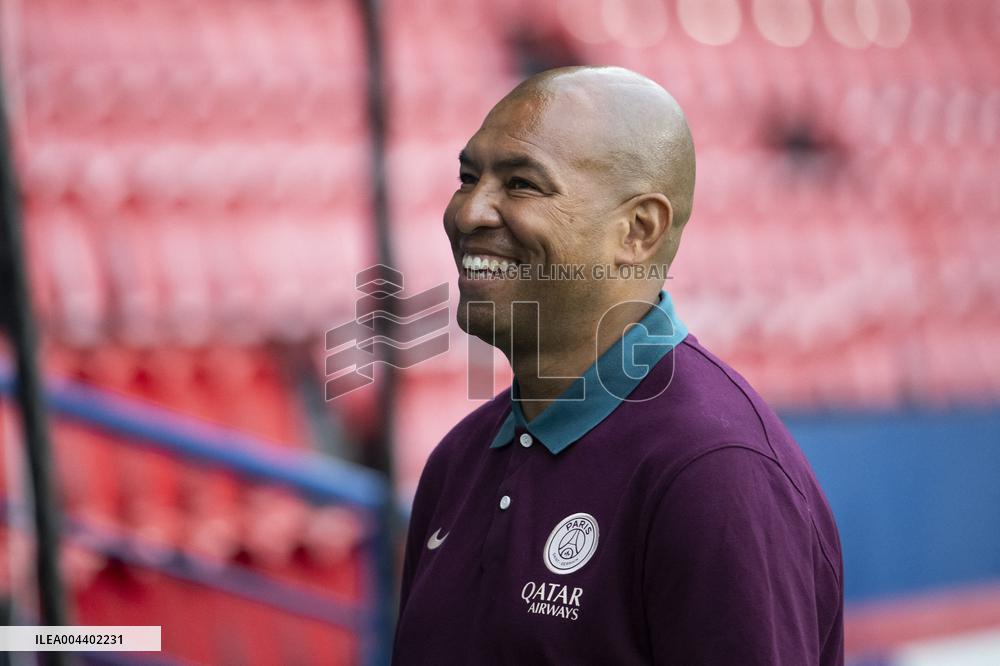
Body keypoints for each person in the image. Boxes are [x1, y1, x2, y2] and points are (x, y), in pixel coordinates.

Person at [391, 66, 844, 665]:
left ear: (638, 230)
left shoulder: (716, 475)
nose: (469, 212)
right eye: (468, 177)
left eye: (522, 184)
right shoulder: (458, 461)